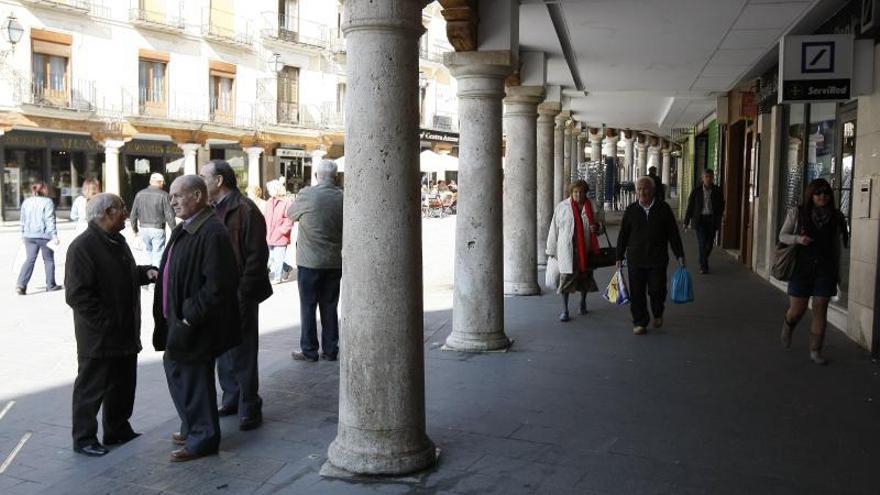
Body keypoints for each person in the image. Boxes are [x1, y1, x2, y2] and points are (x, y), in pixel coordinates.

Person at [153, 175, 241, 462]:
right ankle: (193, 426)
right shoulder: (188, 227)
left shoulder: (211, 231)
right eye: (172, 196)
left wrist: (190, 317)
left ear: (199, 196)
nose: (173, 201)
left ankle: (202, 438)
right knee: (178, 374)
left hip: (192, 323)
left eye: (179, 195)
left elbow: (218, 284)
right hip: (177, 320)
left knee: (193, 380)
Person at [65, 193, 158, 457]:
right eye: (122, 209)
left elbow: (122, 276)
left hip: (124, 332)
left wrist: (145, 273)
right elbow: (78, 295)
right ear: (107, 212)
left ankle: (117, 429)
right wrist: (106, 323)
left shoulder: (116, 241)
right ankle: (83, 439)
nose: (127, 214)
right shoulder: (83, 247)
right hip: (99, 336)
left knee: (123, 384)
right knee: (91, 388)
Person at [199, 159, 272, 431]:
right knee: (223, 350)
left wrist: (243, 293)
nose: (200, 181)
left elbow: (256, 257)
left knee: (243, 352)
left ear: (219, 181)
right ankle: (231, 398)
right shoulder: (212, 210)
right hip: (219, 293)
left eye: (204, 176)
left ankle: (249, 405)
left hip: (240, 293)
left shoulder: (245, 210)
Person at [779, 178, 848, 365]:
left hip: (826, 269)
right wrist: (798, 240)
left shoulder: (837, 217)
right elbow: (782, 236)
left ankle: (815, 351)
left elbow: (838, 248)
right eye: (818, 193)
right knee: (797, 310)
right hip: (802, 268)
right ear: (811, 194)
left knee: (820, 309)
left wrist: (840, 274)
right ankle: (788, 325)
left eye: (826, 193)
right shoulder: (797, 213)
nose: (822, 196)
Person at [287, 160, 343, 362]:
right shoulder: (342, 197)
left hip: (310, 262)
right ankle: (330, 350)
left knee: (308, 306)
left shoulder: (308, 194)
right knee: (330, 306)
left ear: (317, 176)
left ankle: (309, 350)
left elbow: (290, 214)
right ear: (335, 177)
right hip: (334, 262)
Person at [616, 176, 685, 335]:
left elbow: (673, 234)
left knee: (657, 290)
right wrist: (619, 256)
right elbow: (623, 235)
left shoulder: (663, 209)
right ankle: (640, 322)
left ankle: (658, 311)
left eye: (645, 188)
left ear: (653, 190)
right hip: (636, 259)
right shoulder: (631, 210)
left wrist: (680, 255)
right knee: (637, 292)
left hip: (657, 259)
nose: (642, 192)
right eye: (639, 189)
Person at [546, 180, 604, 321]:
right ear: (571, 193)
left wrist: (597, 228)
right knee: (565, 279)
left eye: (581, 192)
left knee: (585, 277)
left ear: (585, 192)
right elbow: (554, 229)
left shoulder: (593, 206)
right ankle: (565, 310)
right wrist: (551, 250)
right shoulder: (562, 207)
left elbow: (602, 226)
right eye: (575, 192)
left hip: (586, 248)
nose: (578, 194)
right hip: (567, 249)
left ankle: (582, 302)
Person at [16, 182, 61, 295]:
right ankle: (51, 285)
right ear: (45, 190)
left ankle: (21, 285)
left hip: (29, 236)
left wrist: (23, 234)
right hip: (44, 236)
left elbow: (23, 219)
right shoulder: (48, 202)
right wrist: (54, 236)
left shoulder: (26, 202)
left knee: (30, 259)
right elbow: (50, 219)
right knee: (48, 260)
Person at [130, 173, 177, 268]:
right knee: (158, 254)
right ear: (161, 182)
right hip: (158, 229)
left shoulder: (139, 194)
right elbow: (169, 215)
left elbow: (133, 214)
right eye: (163, 182)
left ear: (150, 182)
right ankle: (156, 279)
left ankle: (148, 275)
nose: (163, 184)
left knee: (147, 252)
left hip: (143, 228)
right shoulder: (164, 195)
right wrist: (174, 231)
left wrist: (135, 230)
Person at [684, 169, 725, 274]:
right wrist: (686, 221)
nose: (708, 179)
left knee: (709, 244)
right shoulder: (696, 191)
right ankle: (704, 266)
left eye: (710, 177)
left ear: (712, 178)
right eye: (706, 177)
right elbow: (690, 206)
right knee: (702, 243)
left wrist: (719, 214)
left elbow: (722, 203)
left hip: (711, 219)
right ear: (702, 178)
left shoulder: (717, 190)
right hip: (700, 220)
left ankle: (702, 259)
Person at [264, 180, 294, 284]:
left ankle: (277, 277)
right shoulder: (269, 202)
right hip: (270, 234)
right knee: (271, 257)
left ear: (276, 189)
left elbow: (289, 219)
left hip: (281, 235)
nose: (268, 191)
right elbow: (266, 218)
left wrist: (282, 230)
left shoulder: (286, 202)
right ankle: (287, 269)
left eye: (270, 189)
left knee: (277, 258)